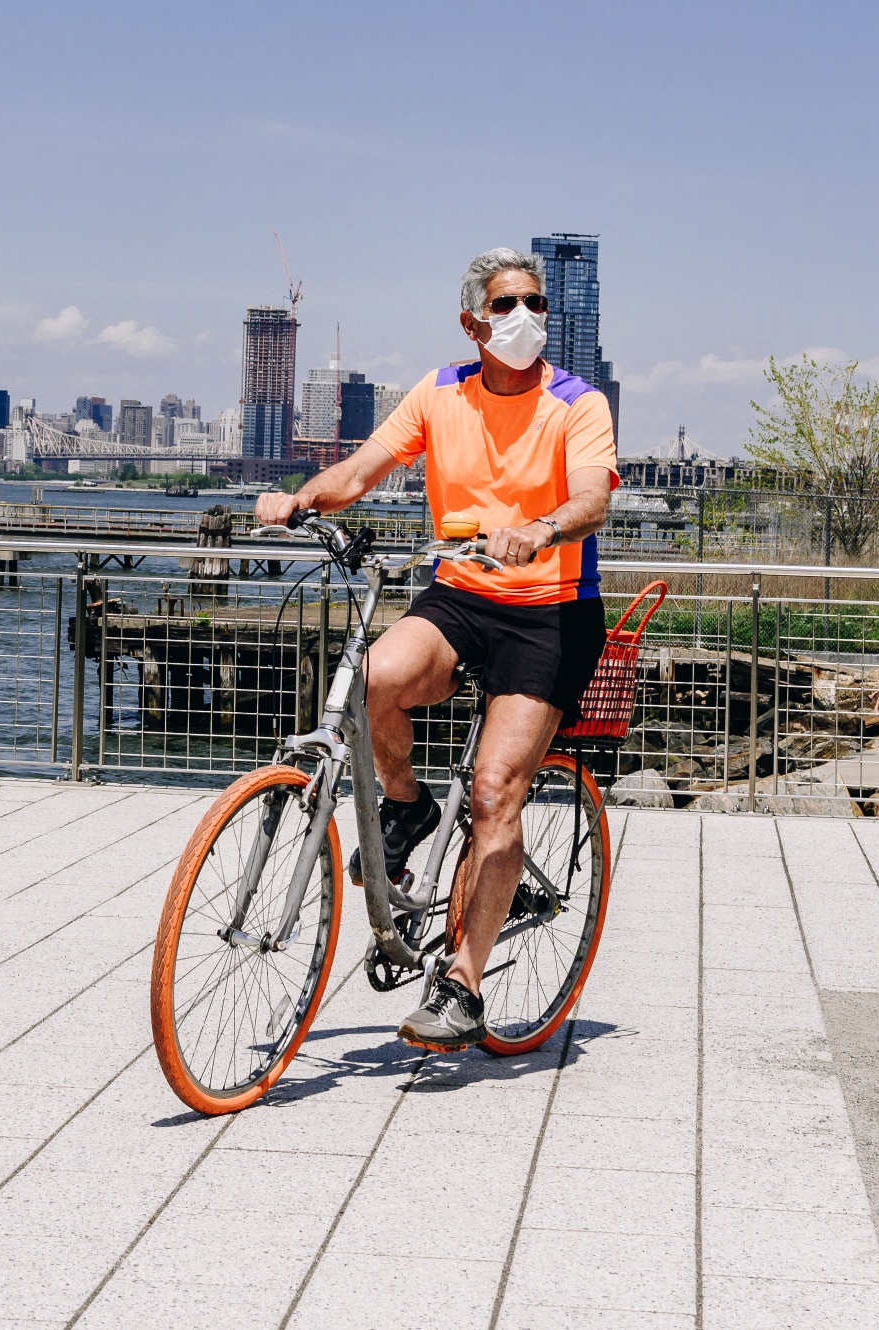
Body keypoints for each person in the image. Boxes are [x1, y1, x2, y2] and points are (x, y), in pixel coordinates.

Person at [257, 246, 617, 1051]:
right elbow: (360, 469)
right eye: (505, 305)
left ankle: (463, 983)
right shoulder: (440, 390)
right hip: (460, 592)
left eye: (534, 303)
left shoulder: (577, 401)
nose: (523, 317)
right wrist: (299, 500)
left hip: (549, 610)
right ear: (471, 321)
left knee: (495, 790)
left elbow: (592, 495)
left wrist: (541, 528)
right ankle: (409, 800)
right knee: (372, 680)